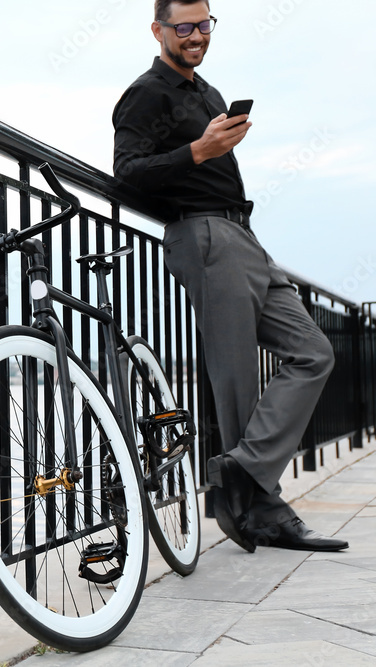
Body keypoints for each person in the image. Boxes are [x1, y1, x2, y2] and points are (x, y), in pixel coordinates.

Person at [112, 0, 348, 553]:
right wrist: (197, 151)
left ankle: (239, 474)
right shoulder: (147, 93)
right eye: (184, 26)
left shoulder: (209, 95)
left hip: (244, 237)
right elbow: (126, 174)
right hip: (203, 237)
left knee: (314, 351)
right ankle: (261, 510)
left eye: (204, 25)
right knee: (236, 382)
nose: (196, 35)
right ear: (159, 30)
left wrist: (209, 146)